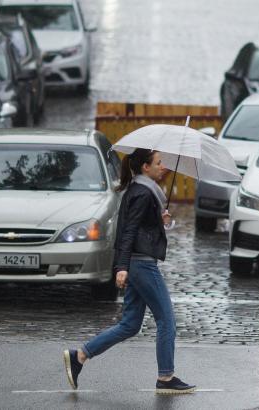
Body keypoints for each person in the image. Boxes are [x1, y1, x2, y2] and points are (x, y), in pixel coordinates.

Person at [63, 148, 196, 394]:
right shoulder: (144, 193)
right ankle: (166, 378)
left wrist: (162, 221)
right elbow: (128, 231)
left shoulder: (140, 190)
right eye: (158, 162)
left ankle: (80, 355)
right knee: (166, 320)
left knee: (130, 324)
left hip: (137, 263)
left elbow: (139, 228)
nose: (162, 166)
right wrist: (122, 266)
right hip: (142, 264)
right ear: (145, 167)